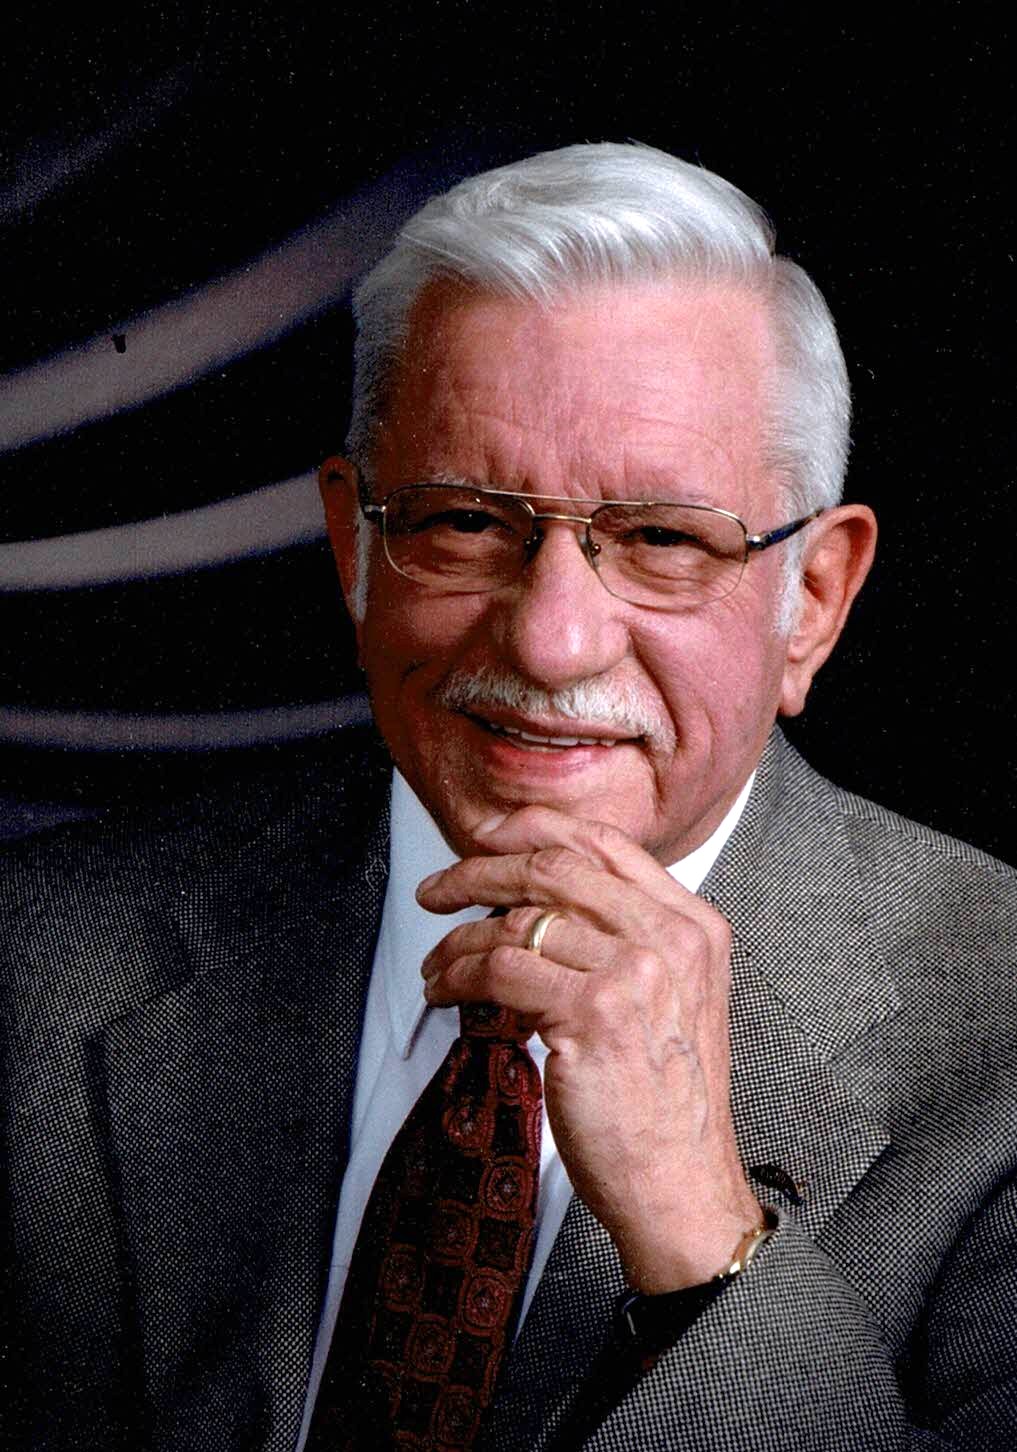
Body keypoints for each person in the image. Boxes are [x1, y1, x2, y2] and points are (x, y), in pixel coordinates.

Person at [1, 143, 1015, 1451]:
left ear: (811, 601)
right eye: (467, 523)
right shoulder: (38, 954)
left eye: (661, 539)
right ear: (355, 546)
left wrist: (701, 1233)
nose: (549, 639)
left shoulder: (998, 1036)